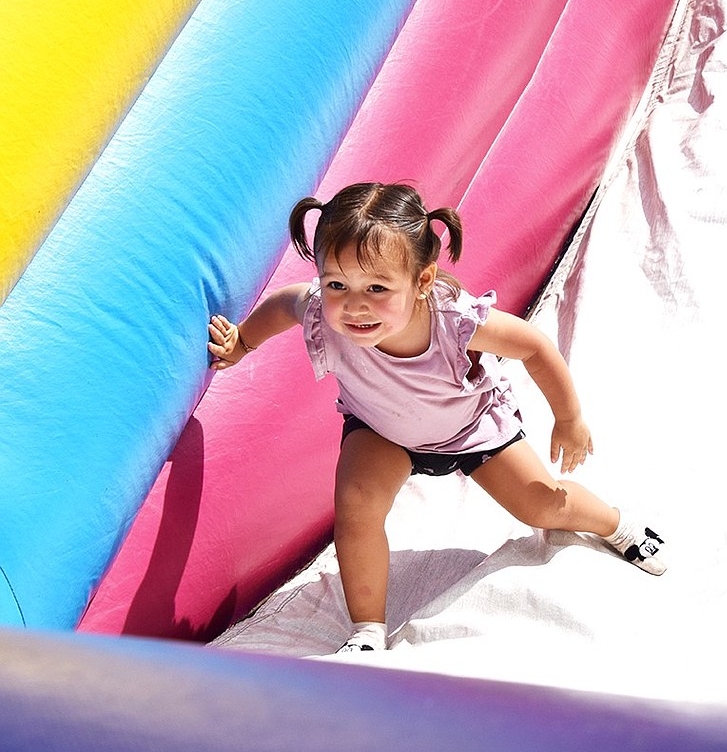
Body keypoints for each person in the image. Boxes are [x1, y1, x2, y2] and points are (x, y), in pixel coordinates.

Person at [207, 182, 665, 653]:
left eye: (378, 288)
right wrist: (241, 343)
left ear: (422, 282)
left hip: (470, 431)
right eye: (336, 284)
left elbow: (533, 345)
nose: (355, 304)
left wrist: (569, 419)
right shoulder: (323, 311)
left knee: (542, 507)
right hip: (380, 430)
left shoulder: (455, 321)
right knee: (357, 509)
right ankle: (367, 630)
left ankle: (616, 524)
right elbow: (286, 303)